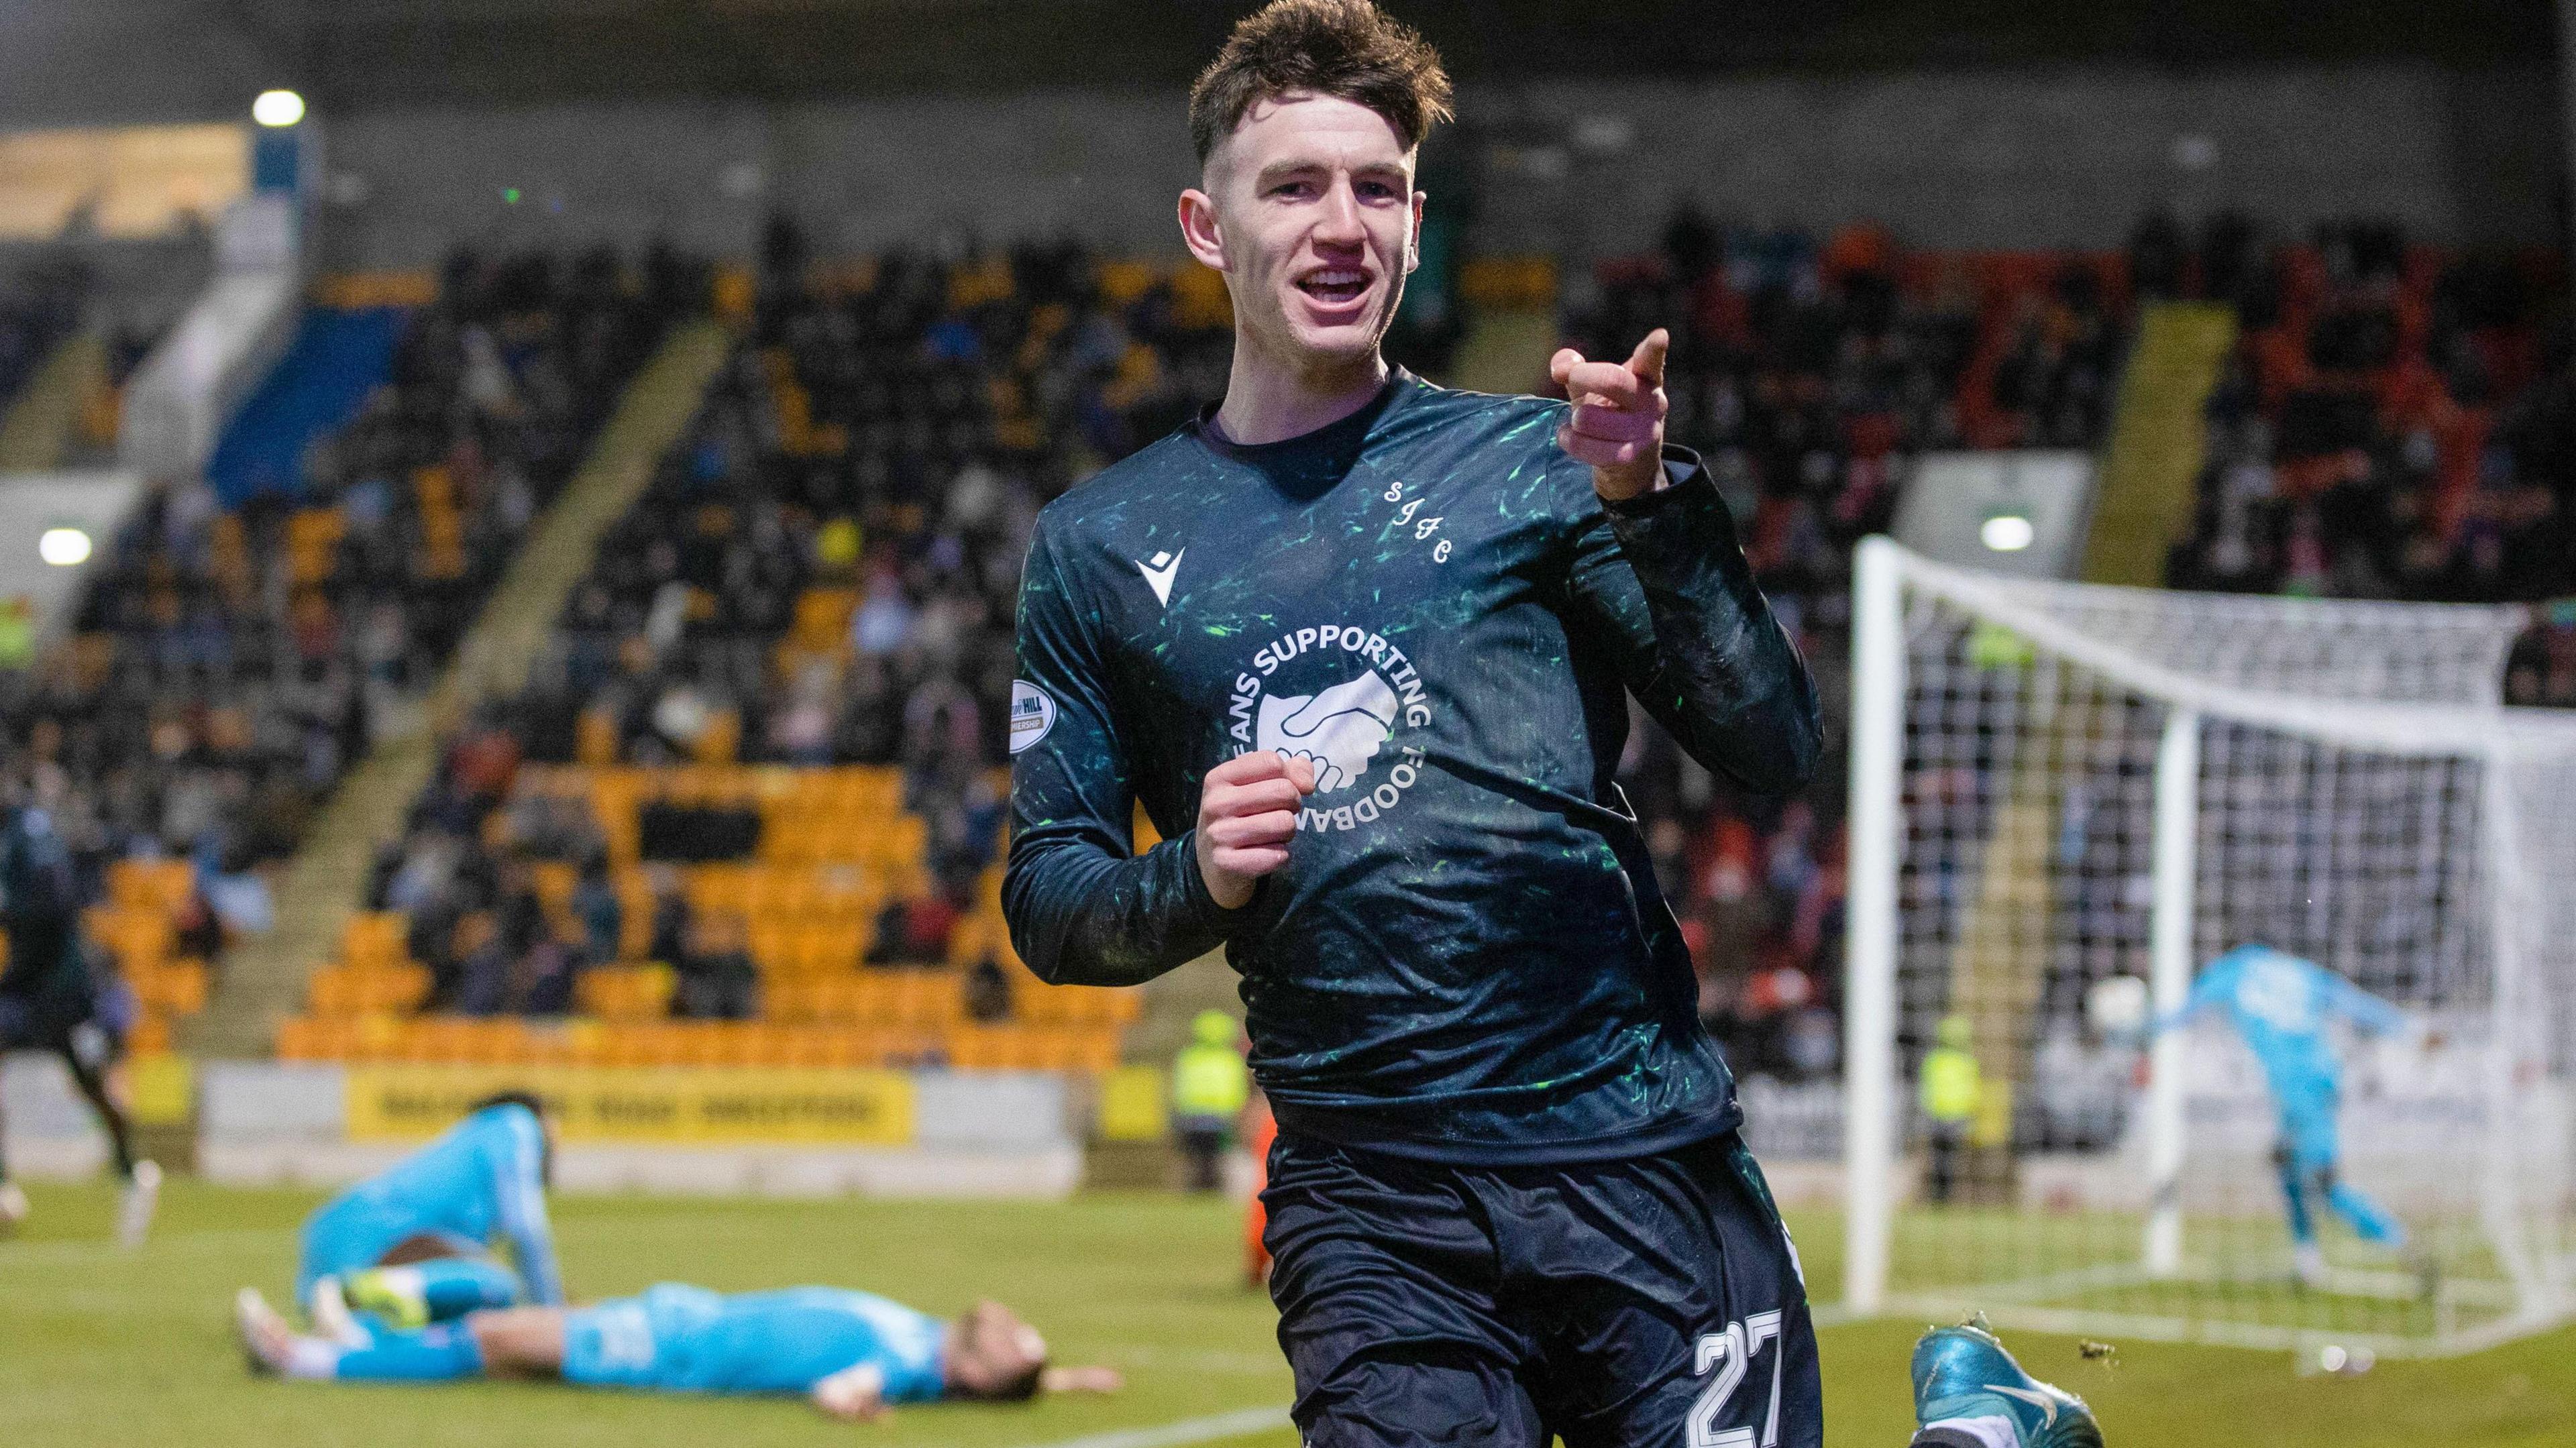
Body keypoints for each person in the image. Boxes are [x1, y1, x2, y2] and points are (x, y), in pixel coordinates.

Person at [1001, 5, 1823, 1445]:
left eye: (1376, 187)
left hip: (1639, 1156)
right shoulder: (1101, 547)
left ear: (1417, 220)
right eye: (1294, 185)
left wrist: (1652, 504)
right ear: (1208, 225)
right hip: (1373, 1205)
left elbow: (1773, 742)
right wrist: (1191, 873)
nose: (1342, 223)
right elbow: (1052, 900)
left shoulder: (1542, 467)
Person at [235, 1280, 1123, 1420]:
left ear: (978, 1373)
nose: (1006, 1320)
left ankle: (313, 1359)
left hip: (677, 1348)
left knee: (495, 1334)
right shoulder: (933, 1335)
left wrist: (854, 1400)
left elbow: (844, 1386)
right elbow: (1024, 1365)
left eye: (1011, 1343)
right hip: (692, 1312)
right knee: (511, 1335)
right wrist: (1071, 1376)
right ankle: (368, 1342)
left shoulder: (913, 1365)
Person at [2152, 942, 2415, 1287]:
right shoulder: (2298, 970)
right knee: (2287, 1167)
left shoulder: (2231, 972)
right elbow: (2351, 1003)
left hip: (2297, 1090)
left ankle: (2399, 1242)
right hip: (2323, 1079)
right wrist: (2406, 1027)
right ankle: (2308, 1261)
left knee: (2324, 1182)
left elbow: (2188, 1010)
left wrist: (2136, 1031)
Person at [0, 793, 159, 1246]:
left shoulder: (31, 837)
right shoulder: (15, 839)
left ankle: (132, 1170)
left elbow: (52, 910)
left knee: (92, 1086)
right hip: (27, 988)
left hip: (66, 993)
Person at [294, 1093, 562, 1328]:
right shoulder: (517, 1123)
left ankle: (353, 1317)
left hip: (333, 1242)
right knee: (497, 1288)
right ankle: (368, 1290)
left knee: (470, 1311)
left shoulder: (477, 1133)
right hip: (368, 1240)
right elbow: (525, 1229)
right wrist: (553, 1315)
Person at [1170, 1008, 1249, 1192]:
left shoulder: (1188, 1056)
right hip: (1222, 1117)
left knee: (1196, 1157)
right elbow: (1238, 1090)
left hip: (1192, 1116)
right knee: (1218, 1157)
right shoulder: (1231, 1058)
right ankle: (1220, 1189)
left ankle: (1195, 1188)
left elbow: (1179, 1087)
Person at [1919, 1013, 1982, 1204]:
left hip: (1948, 1117)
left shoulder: (1938, 1060)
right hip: (1944, 1117)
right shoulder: (1960, 1062)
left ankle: (1945, 1197)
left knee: (1946, 1161)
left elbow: (1972, 1091)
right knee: (1943, 1161)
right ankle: (1940, 1197)